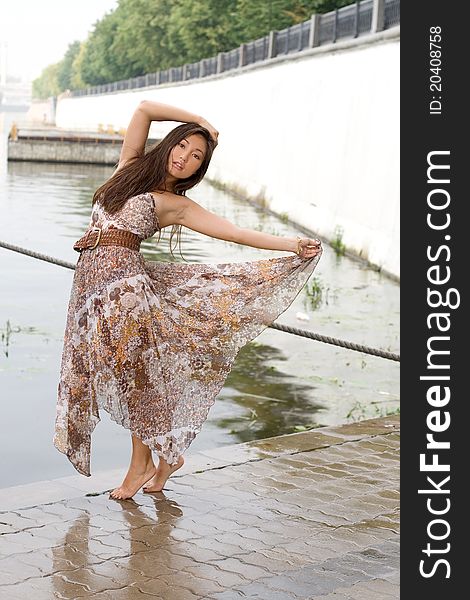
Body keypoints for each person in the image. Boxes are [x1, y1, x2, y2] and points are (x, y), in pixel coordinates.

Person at [54, 100, 322, 500]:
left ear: (200, 169)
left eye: (197, 156)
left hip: (126, 293)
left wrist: (290, 243)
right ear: (170, 145)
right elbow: (143, 110)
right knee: (125, 375)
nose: (186, 158)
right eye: (183, 147)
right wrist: (199, 122)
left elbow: (232, 232)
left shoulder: (174, 203)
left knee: (135, 378)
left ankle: (141, 464)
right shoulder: (127, 170)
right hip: (90, 289)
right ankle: (163, 454)